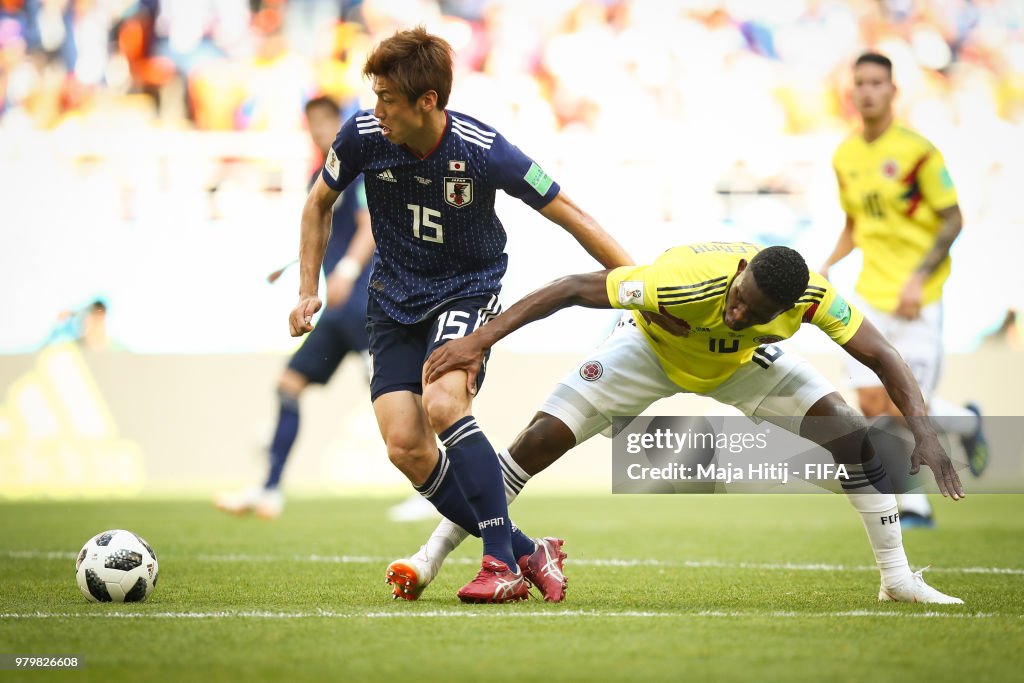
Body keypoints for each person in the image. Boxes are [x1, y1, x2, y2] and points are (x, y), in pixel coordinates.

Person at [400, 242, 966, 604]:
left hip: (740, 366)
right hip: (649, 351)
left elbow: (884, 355)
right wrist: (478, 341)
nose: (739, 312)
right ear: (739, 272)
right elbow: (570, 289)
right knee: (538, 440)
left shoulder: (812, 299)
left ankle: (897, 579)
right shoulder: (682, 281)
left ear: (790, 308)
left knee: (853, 437)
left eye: (757, 312)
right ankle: (432, 554)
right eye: (740, 298)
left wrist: (926, 434)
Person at [287, 27, 632, 603]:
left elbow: (570, 212)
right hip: (392, 300)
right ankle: (527, 549)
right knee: (405, 445)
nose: (377, 113)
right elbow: (317, 203)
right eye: (374, 98)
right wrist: (306, 288)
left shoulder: (482, 148)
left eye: (388, 101)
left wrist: (639, 283)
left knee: (444, 403)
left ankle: (499, 562)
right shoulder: (364, 136)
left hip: (464, 292)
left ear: (428, 101)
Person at [821, 52, 988, 529]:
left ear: (893, 91)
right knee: (872, 403)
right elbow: (856, 223)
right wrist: (829, 262)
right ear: (851, 92)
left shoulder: (918, 152)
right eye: (861, 83)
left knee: (903, 404)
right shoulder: (845, 155)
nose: (868, 90)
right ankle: (944, 459)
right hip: (871, 294)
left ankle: (937, 468)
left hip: (918, 299)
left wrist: (918, 276)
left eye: (878, 82)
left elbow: (953, 217)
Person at [215, 95, 376, 520]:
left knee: (397, 397)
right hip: (338, 310)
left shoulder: (358, 172)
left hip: (367, 303)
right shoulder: (317, 178)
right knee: (288, 385)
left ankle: (435, 490)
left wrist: (345, 268)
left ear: (339, 124)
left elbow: (369, 226)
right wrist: (297, 266)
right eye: (313, 124)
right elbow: (318, 229)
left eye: (327, 122)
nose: (320, 131)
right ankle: (270, 489)